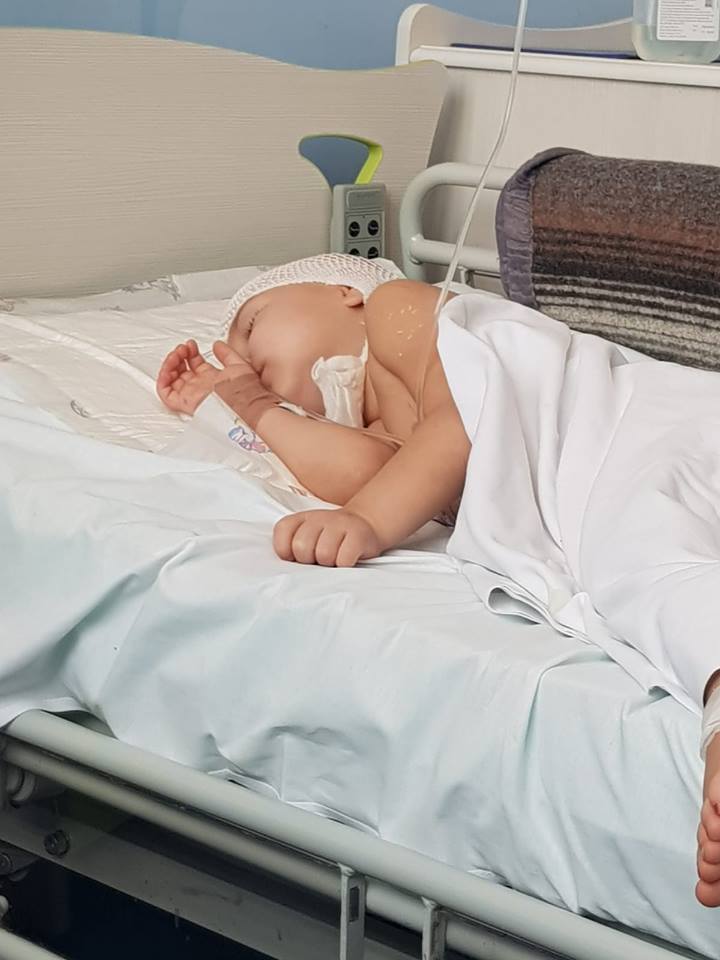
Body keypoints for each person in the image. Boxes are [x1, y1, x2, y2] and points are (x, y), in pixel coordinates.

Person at [156, 252, 720, 910]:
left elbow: (460, 425)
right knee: (644, 575)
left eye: (252, 325)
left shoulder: (400, 310)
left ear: (343, 292)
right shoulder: (390, 436)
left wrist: (368, 521)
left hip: (635, 425)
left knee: (642, 548)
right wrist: (246, 404)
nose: (243, 355)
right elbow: (368, 472)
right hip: (614, 483)